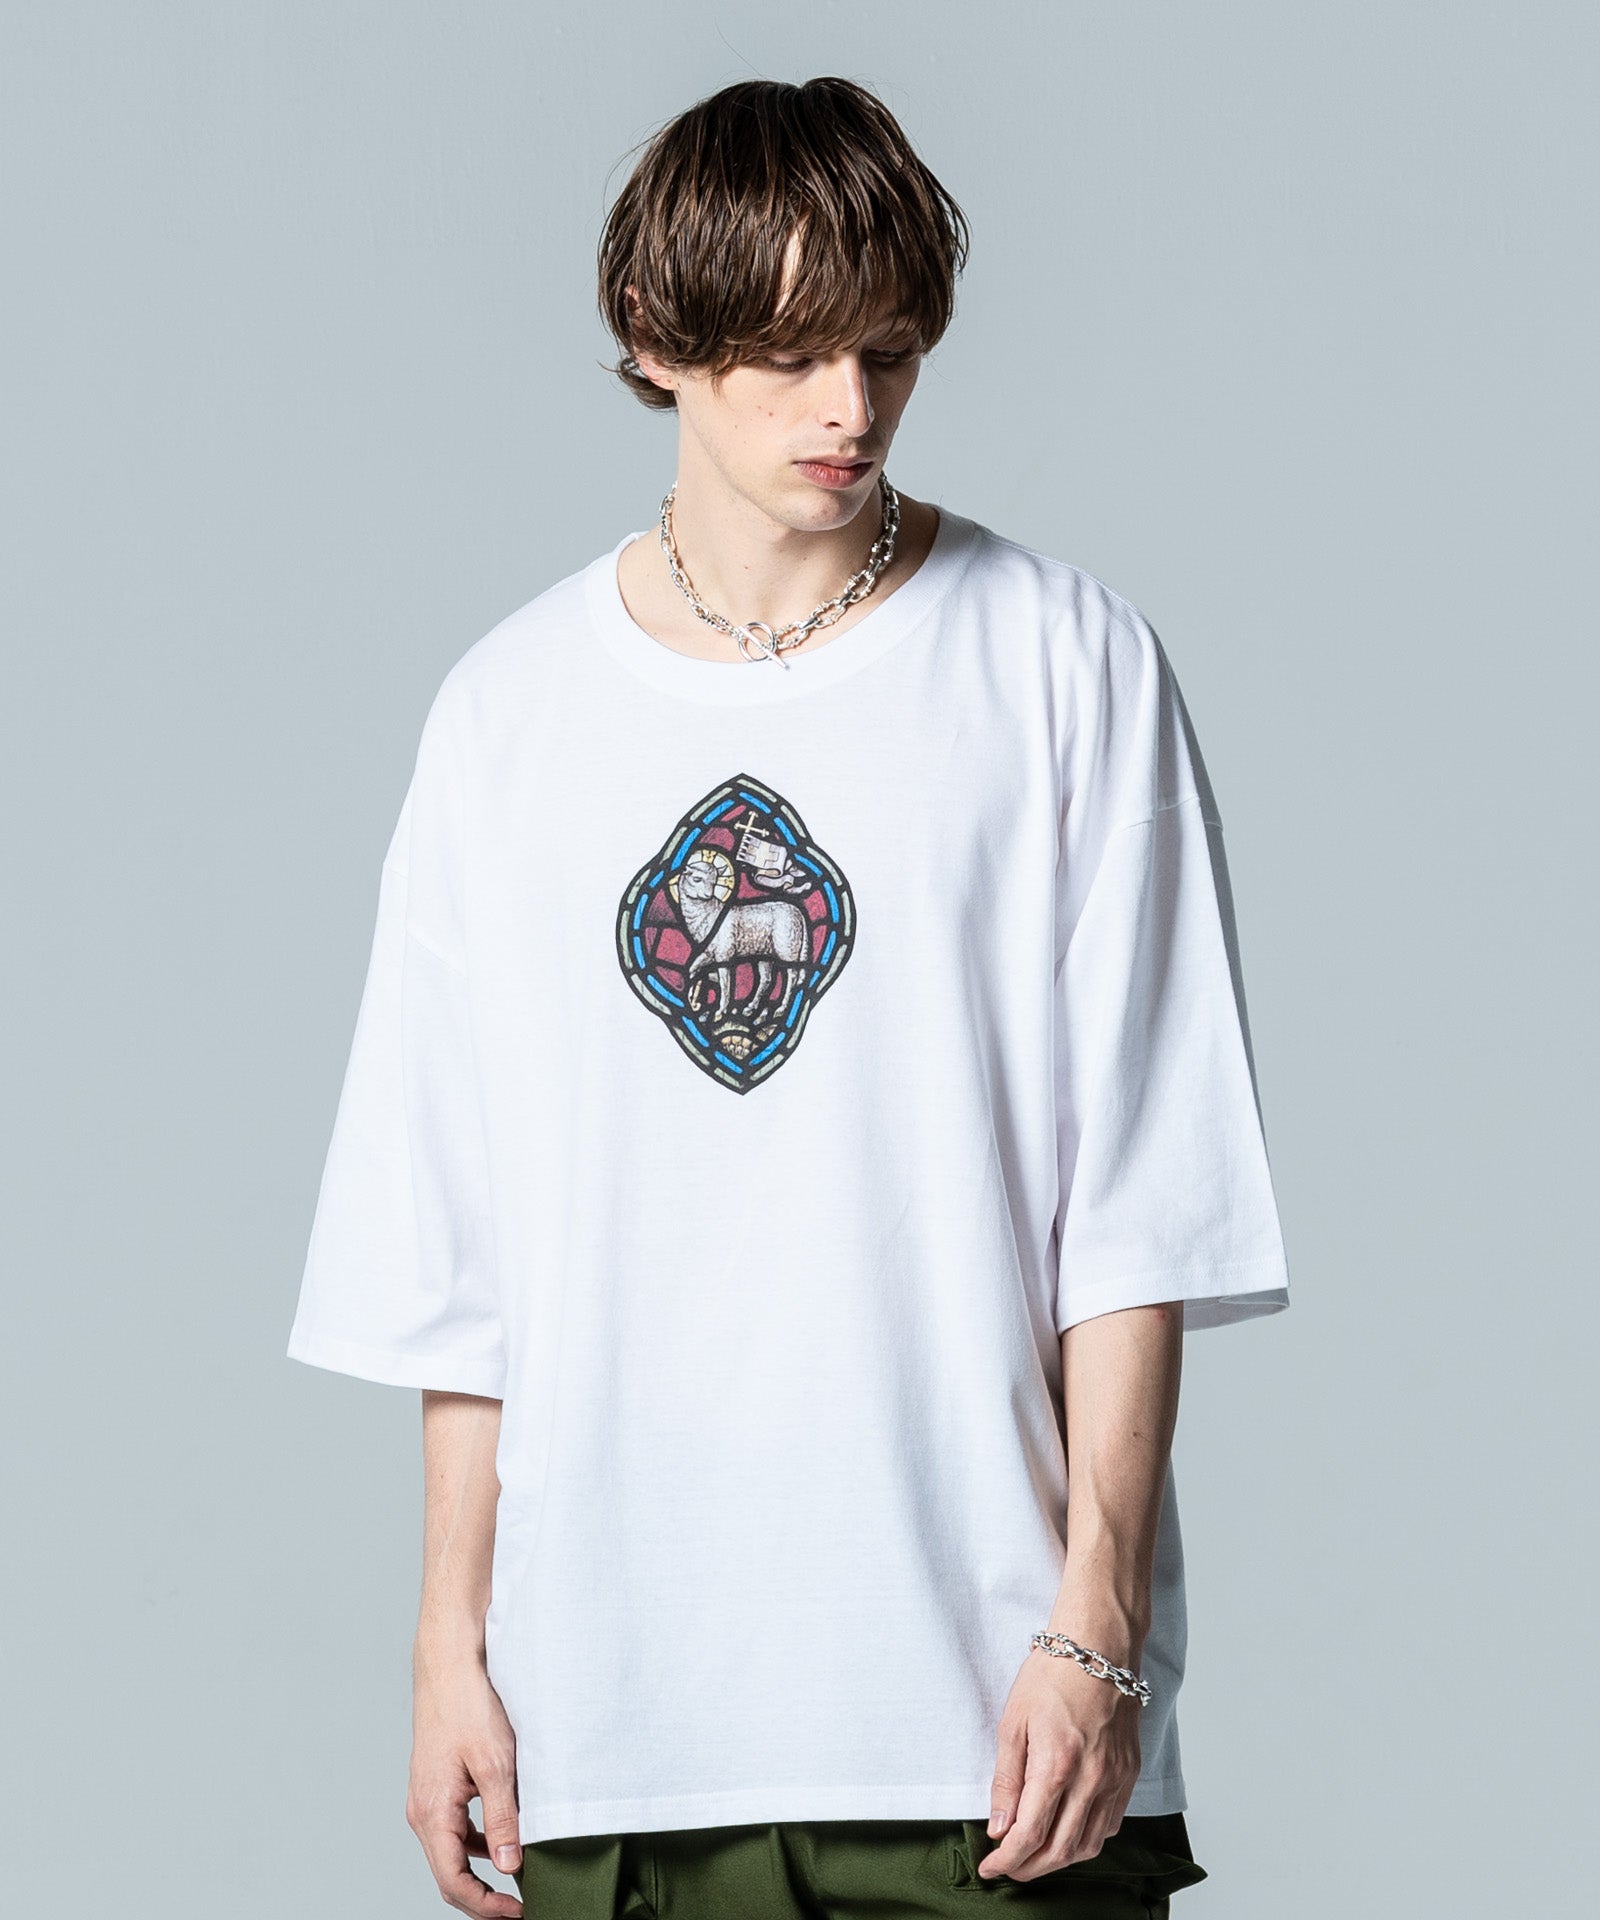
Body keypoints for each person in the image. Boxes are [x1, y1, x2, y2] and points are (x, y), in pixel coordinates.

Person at [287, 74, 1291, 1920]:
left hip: (991, 1733)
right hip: (610, 1732)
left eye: (891, 353)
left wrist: (1097, 1626)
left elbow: (1141, 1205)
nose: (852, 409)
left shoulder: (1064, 662)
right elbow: (461, 1253)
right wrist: (447, 1650)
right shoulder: (508, 716)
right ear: (652, 335)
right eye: (793, 357)